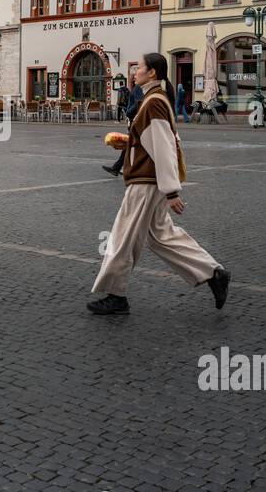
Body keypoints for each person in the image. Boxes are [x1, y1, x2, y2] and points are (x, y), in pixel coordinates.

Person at [88, 52, 231, 316]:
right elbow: (156, 140)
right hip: (150, 180)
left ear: (152, 72)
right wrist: (130, 143)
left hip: (146, 182)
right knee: (161, 236)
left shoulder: (153, 102)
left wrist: (172, 191)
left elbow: (164, 148)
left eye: (139, 67)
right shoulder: (155, 99)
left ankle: (116, 295)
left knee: (122, 236)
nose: (135, 72)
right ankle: (213, 273)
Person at [104, 75, 143, 176]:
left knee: (131, 144)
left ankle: (121, 167)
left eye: (135, 75)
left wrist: (129, 113)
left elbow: (138, 103)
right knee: (130, 144)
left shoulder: (138, 87)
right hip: (135, 120)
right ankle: (119, 167)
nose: (133, 77)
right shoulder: (134, 88)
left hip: (135, 120)